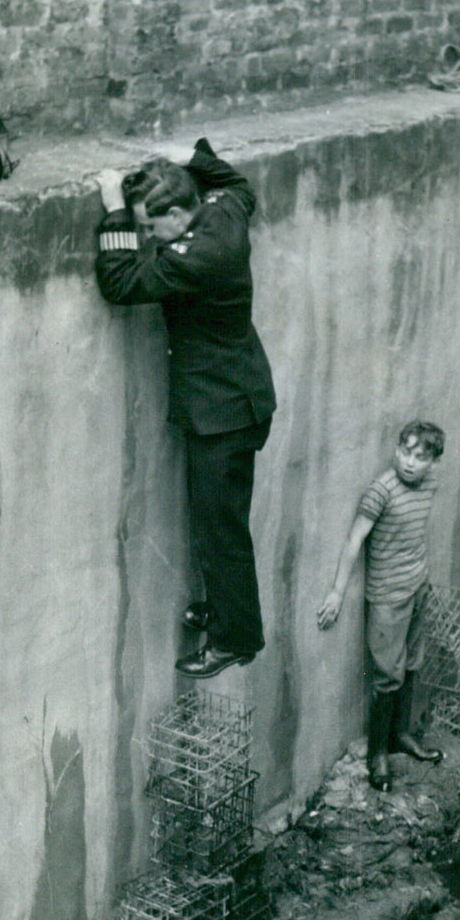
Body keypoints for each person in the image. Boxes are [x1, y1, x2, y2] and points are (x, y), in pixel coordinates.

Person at [94, 138, 276, 679]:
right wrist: (190, 156)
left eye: (152, 228)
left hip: (222, 411)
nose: (148, 239)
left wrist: (115, 214)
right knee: (219, 521)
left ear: (178, 214)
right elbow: (239, 185)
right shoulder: (222, 213)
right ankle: (224, 609)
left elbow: (121, 281)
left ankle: (234, 638)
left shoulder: (198, 257)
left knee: (221, 529)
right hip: (236, 397)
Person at [317, 421, 445, 792]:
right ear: (396, 449)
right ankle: (378, 755)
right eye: (405, 452)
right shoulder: (380, 491)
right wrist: (336, 593)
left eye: (420, 457)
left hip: (418, 588)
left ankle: (401, 736)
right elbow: (354, 541)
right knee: (388, 674)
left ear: (433, 462)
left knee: (413, 663)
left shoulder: (431, 485)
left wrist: (422, 576)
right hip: (387, 597)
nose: (409, 463)